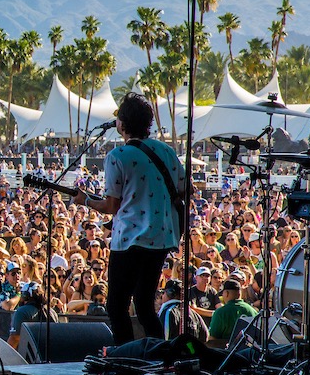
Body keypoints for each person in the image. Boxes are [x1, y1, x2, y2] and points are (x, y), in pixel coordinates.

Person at [73, 93, 182, 344]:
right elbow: (184, 189)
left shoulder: (118, 156)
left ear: (121, 123)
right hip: (160, 238)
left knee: (117, 305)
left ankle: (125, 356)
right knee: (144, 305)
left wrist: (85, 201)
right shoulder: (166, 151)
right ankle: (157, 354)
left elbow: (112, 205)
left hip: (129, 240)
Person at [208, 278, 256, 347]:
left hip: (226, 352)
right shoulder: (252, 310)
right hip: (248, 351)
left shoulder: (221, 312)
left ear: (226, 293)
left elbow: (212, 340)